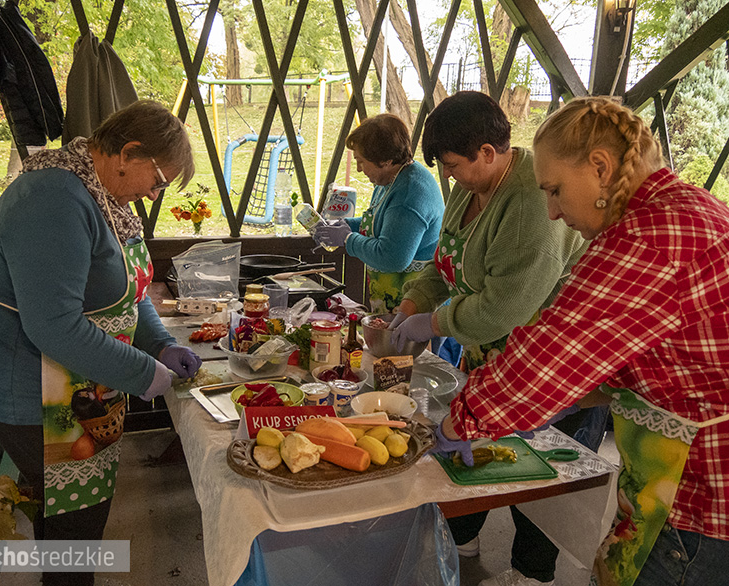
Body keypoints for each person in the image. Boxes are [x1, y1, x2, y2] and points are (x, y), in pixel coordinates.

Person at [436, 96, 729, 586]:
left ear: (599, 168)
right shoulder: (690, 207)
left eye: (554, 191)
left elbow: (547, 354)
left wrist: (461, 420)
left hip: (700, 496)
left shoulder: (646, 239)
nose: (551, 211)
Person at [0, 100, 201, 585]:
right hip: (20, 382)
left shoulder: (101, 193)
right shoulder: (54, 200)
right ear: (128, 152)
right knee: (76, 522)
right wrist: (144, 372)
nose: (154, 195)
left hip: (65, 379)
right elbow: (54, 326)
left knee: (64, 510)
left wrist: (161, 343)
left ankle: (17, 567)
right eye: (158, 181)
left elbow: (127, 287)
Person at [388, 91, 601, 586]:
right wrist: (412, 304)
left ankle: (533, 573)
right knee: (476, 448)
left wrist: (434, 324)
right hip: (491, 356)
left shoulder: (530, 199)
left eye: (454, 164)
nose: (449, 176)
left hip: (552, 362)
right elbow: (446, 263)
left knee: (542, 473)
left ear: (488, 152)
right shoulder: (470, 187)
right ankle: (463, 534)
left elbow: (508, 307)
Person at [312, 113, 444, 313]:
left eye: (362, 161)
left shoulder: (410, 194)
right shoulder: (390, 179)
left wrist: (348, 239)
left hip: (418, 306)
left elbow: (393, 257)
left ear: (386, 160)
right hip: (393, 301)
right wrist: (348, 225)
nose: (358, 169)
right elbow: (381, 222)